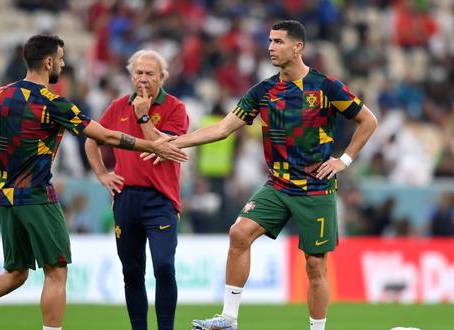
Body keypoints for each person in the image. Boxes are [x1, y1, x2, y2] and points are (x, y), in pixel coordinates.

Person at [0, 34, 187, 330]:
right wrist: (152, 145)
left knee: (15, 273)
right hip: (37, 196)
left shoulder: (0, 95)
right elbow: (104, 136)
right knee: (56, 271)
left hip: (5, 198)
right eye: (62, 59)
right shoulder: (53, 103)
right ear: (49, 62)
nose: (63, 65)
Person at [147, 20, 378, 330]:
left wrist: (344, 159)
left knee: (314, 265)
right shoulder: (264, 91)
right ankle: (228, 319)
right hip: (279, 185)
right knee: (239, 233)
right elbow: (223, 128)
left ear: (298, 47)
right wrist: (173, 141)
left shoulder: (326, 87)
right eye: (270, 41)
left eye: (278, 42)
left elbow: (368, 120)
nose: (270, 47)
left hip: (315, 188)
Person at [85, 49, 189, 330]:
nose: (143, 78)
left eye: (149, 73)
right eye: (138, 73)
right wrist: (103, 174)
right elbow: (91, 140)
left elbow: (164, 149)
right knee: (132, 273)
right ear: (131, 77)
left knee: (164, 267)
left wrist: (143, 117)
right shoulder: (117, 106)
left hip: (161, 200)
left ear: (162, 77)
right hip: (126, 198)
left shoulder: (175, 108)